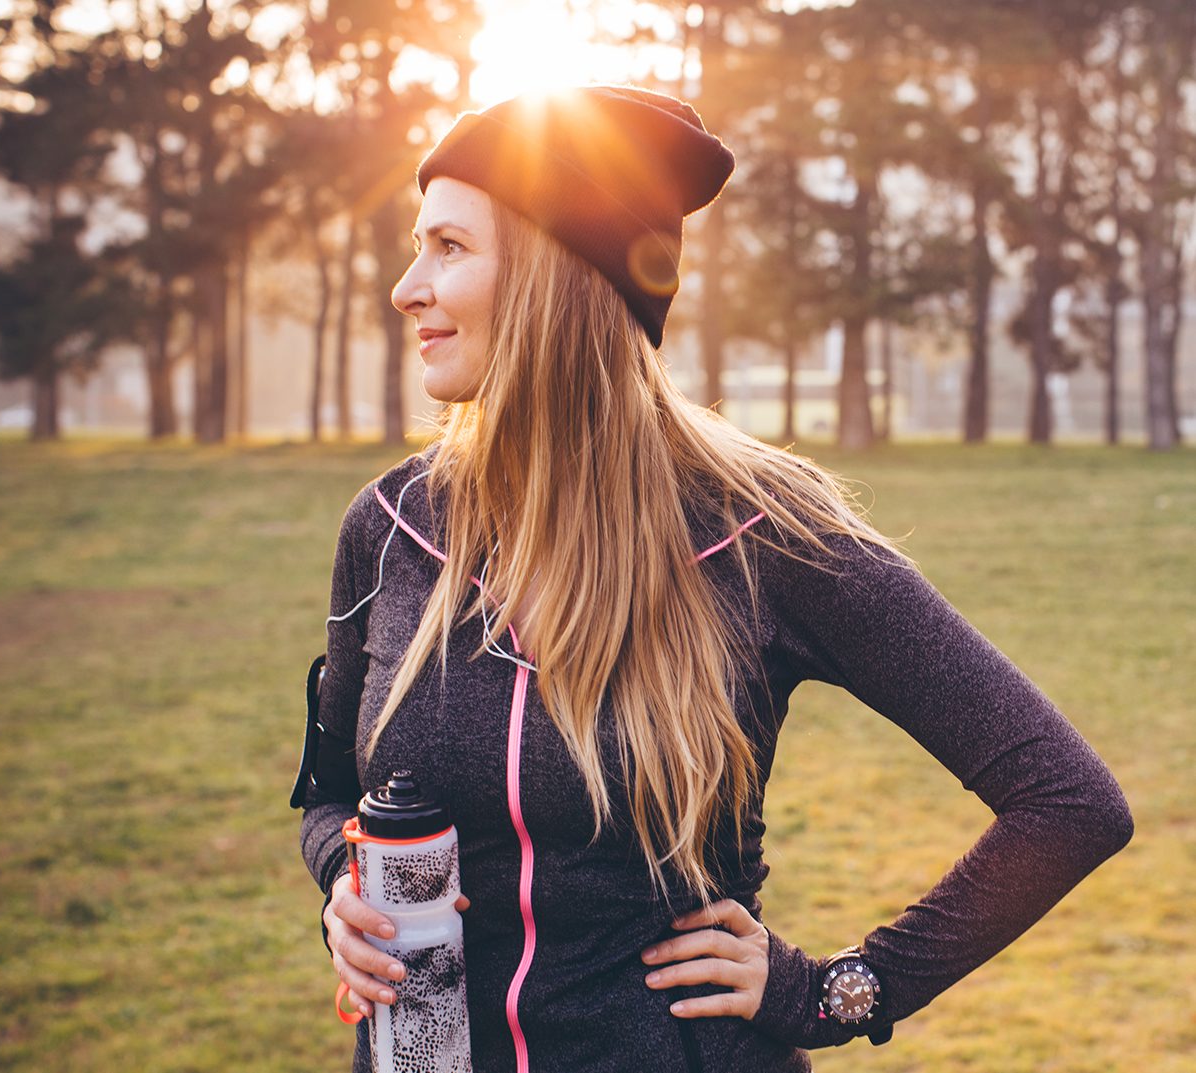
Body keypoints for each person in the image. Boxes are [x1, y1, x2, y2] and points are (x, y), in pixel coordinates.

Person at [294, 85, 1133, 1073]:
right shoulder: (391, 525)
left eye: (448, 247)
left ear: (553, 272)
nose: (405, 286)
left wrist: (836, 989)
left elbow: (1067, 800)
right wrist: (343, 889)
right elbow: (331, 788)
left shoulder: (762, 531)